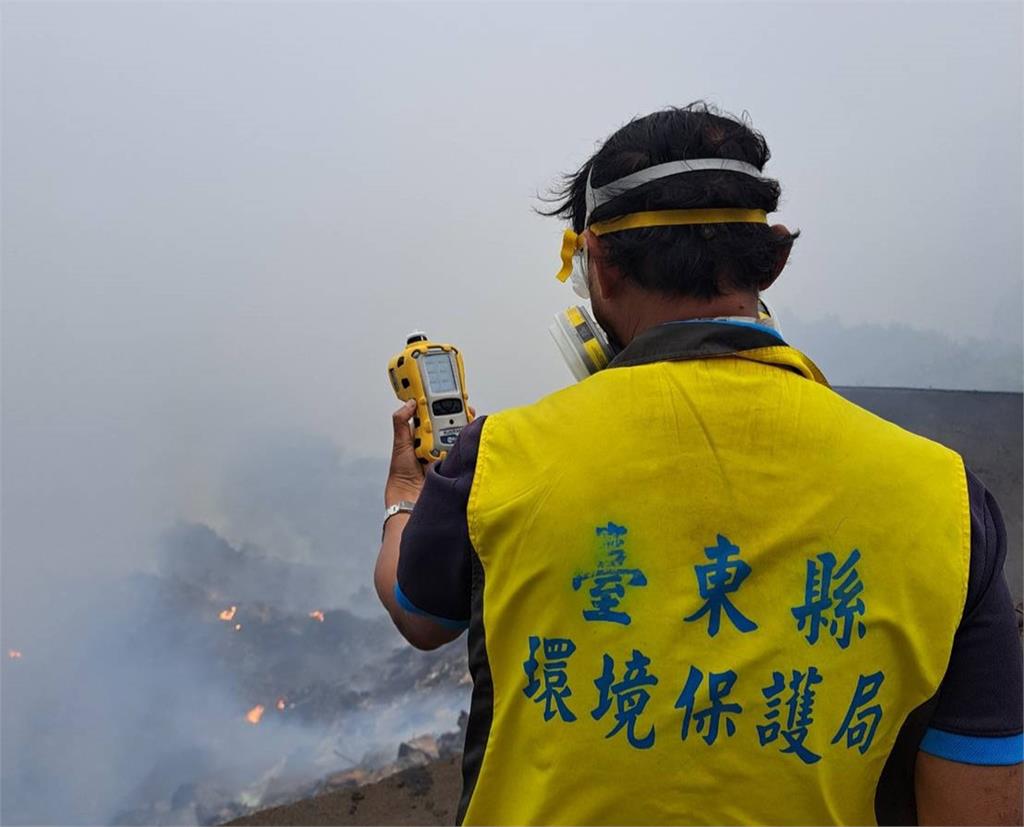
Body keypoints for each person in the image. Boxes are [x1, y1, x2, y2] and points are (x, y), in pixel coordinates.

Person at [373, 102, 1022, 826]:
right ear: (771, 259)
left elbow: (417, 611)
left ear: (601, 265)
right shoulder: (946, 498)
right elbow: (980, 804)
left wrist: (405, 496)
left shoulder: (495, 458)